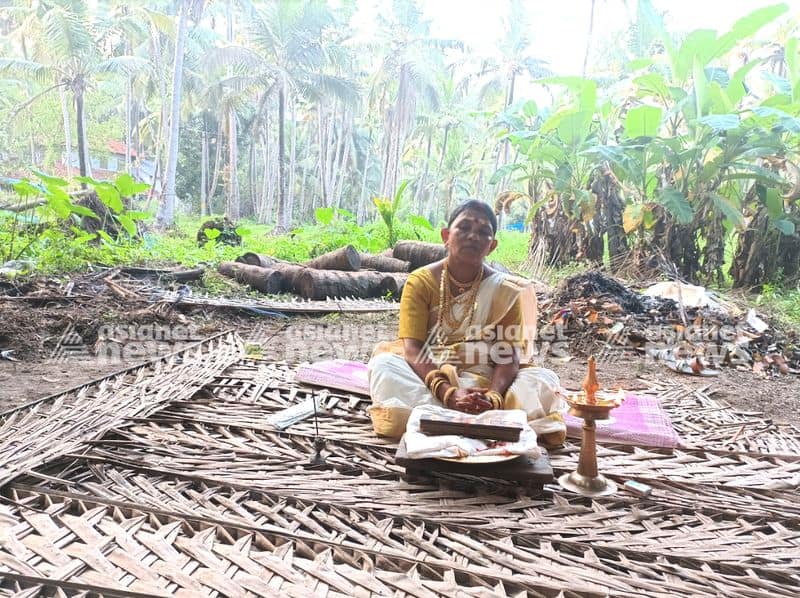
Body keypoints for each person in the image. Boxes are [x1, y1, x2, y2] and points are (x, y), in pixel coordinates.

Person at [367, 199, 567, 446]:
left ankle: (445, 420)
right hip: (432, 376)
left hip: (487, 376)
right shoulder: (420, 281)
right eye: (464, 228)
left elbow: (509, 354)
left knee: (544, 381)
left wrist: (493, 395)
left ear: (492, 246)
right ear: (446, 236)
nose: (473, 236)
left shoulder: (505, 290)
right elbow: (413, 348)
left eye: (483, 232)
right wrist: (447, 392)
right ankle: (491, 424)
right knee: (385, 366)